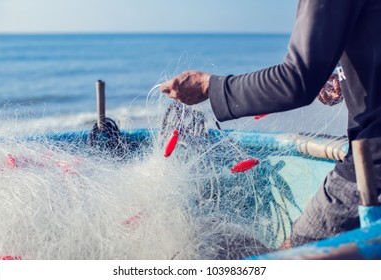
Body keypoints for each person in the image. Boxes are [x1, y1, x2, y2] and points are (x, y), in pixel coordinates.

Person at [160, 0, 381, 248]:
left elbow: (295, 81)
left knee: (293, 254)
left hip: (374, 159)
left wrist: (209, 87)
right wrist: (349, 78)